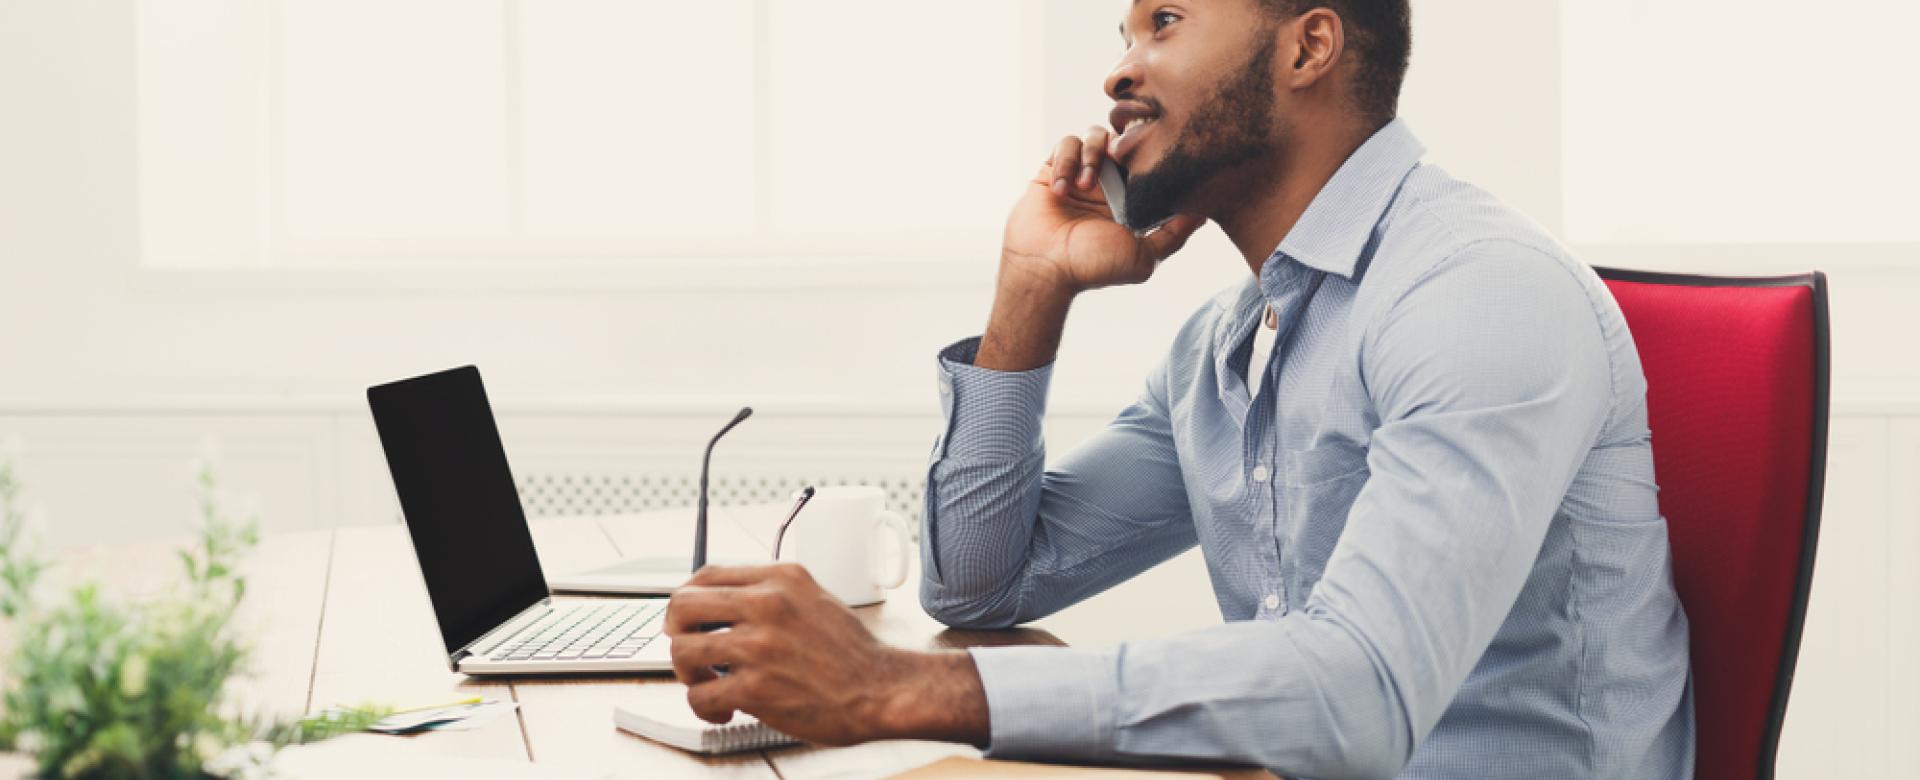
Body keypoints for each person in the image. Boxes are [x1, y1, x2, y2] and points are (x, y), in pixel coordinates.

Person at [663, 1, 1694, 776]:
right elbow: (980, 585)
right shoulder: (1228, 345)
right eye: (1122, 33)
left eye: (1164, 21)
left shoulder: (1475, 292)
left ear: (1308, 47)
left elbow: (1363, 696)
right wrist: (1030, 288)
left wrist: (893, 689)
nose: (1119, 71)